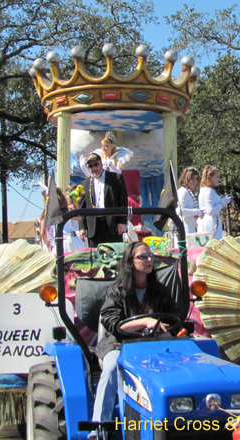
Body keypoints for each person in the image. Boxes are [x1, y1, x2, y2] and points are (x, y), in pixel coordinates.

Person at [91, 241, 178, 431]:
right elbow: (114, 324)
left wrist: (170, 330)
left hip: (153, 343)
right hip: (120, 345)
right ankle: (98, 427)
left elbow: (173, 317)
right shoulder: (116, 291)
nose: (149, 260)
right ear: (131, 262)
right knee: (113, 366)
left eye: (150, 256)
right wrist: (146, 322)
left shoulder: (160, 290)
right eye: (143, 256)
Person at [78, 152, 128, 246]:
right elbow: (82, 208)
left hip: (113, 225)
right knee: (96, 257)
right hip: (93, 226)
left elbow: (123, 201)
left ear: (101, 163)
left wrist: (122, 221)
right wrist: (82, 228)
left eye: (96, 165)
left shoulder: (116, 178)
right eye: (91, 166)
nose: (94, 168)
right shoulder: (85, 183)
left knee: (115, 255)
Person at [197, 165, 232, 240]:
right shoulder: (209, 191)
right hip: (210, 223)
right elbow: (210, 210)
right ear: (210, 176)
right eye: (217, 177)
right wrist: (223, 202)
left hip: (207, 221)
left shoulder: (204, 189)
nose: (219, 180)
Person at [176, 167, 203, 235]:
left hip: (191, 228)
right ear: (186, 179)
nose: (195, 181)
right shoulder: (183, 191)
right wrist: (198, 211)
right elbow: (179, 211)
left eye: (196, 179)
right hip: (186, 228)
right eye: (192, 178)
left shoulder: (188, 192)